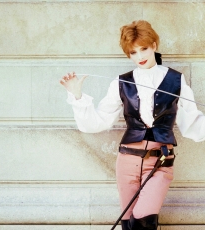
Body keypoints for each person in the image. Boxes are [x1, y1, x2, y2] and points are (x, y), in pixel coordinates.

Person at [59, 20, 205, 230]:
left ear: (154, 45)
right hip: (127, 161)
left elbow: (192, 122)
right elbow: (98, 121)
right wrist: (77, 95)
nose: (140, 56)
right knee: (128, 224)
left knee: (143, 221)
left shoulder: (176, 80)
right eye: (133, 52)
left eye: (143, 48)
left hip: (160, 161)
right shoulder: (121, 82)